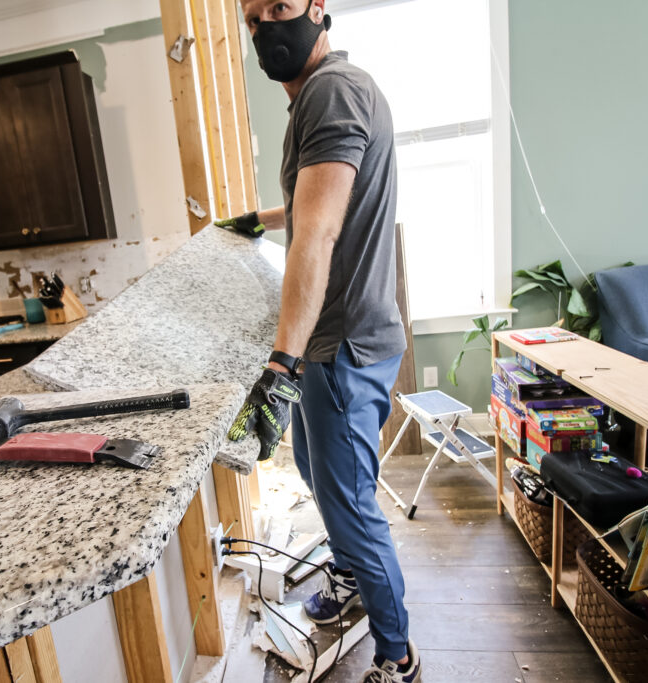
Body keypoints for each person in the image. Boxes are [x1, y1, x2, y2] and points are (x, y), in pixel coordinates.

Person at [223, 1, 419, 680]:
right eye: (252, 18)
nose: (265, 27)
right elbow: (317, 196)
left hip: (339, 348)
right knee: (317, 471)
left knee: (351, 507)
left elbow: (318, 233)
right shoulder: (328, 94)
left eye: (279, 8)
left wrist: (281, 364)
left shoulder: (331, 91)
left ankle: (397, 657)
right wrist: (260, 215)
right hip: (349, 339)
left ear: (317, 7)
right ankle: (350, 575)